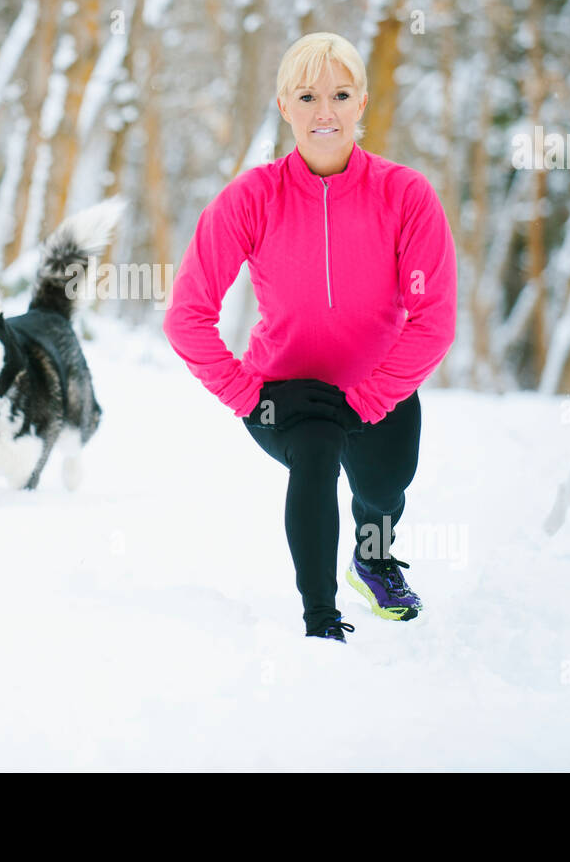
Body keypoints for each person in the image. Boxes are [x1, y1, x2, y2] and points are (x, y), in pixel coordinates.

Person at [162, 32, 457, 642]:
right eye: (308, 96)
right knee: (317, 456)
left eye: (340, 95)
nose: (325, 112)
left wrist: (372, 400)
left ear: (361, 104)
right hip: (285, 394)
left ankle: (373, 558)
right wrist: (249, 395)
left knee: (382, 489)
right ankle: (320, 619)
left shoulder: (406, 196)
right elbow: (186, 317)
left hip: (380, 391)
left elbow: (435, 320)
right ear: (284, 106)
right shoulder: (251, 198)